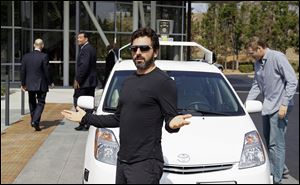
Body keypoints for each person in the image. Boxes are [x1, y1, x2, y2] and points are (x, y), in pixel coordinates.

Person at [61, 27, 192, 184]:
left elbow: (170, 121)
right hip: (123, 161)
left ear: (155, 52)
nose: (138, 52)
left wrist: (173, 123)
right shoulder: (128, 81)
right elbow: (118, 119)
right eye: (134, 48)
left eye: (144, 48)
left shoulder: (163, 82)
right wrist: (85, 118)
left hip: (145, 164)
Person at [246, 36, 298, 184]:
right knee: (269, 141)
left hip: (280, 107)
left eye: (252, 53)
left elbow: (292, 81)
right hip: (267, 106)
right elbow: (256, 84)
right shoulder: (258, 63)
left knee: (276, 144)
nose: (251, 56)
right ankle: (281, 168)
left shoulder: (277, 57)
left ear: (260, 48)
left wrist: (284, 104)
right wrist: (246, 105)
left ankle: (277, 178)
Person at [21, 38, 54, 131]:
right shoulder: (44, 56)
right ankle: (35, 121)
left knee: (32, 102)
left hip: (30, 84)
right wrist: (50, 82)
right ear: (42, 45)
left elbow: (23, 71)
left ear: (33, 45)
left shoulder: (26, 56)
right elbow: (47, 71)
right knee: (41, 102)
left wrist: (23, 83)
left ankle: (34, 121)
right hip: (41, 84)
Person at [73, 31, 99, 131]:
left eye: (80, 38)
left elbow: (84, 66)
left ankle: (83, 123)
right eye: (77, 37)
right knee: (88, 103)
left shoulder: (86, 50)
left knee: (78, 101)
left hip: (84, 82)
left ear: (86, 39)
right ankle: (87, 123)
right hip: (90, 82)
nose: (78, 39)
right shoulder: (90, 48)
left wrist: (78, 80)